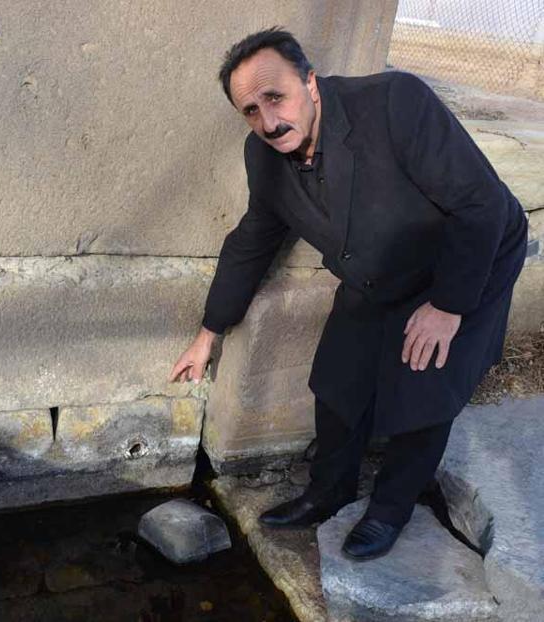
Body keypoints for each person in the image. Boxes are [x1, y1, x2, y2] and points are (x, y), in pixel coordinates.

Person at [168, 27, 528, 561]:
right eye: (251, 110)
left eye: (275, 97)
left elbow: (481, 206)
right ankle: (329, 491)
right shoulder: (264, 156)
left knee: (425, 383)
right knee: (338, 377)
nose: (268, 121)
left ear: (311, 83)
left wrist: (449, 306)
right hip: (378, 268)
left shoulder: (394, 104)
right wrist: (209, 332)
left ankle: (390, 509)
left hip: (468, 256)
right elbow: (252, 240)